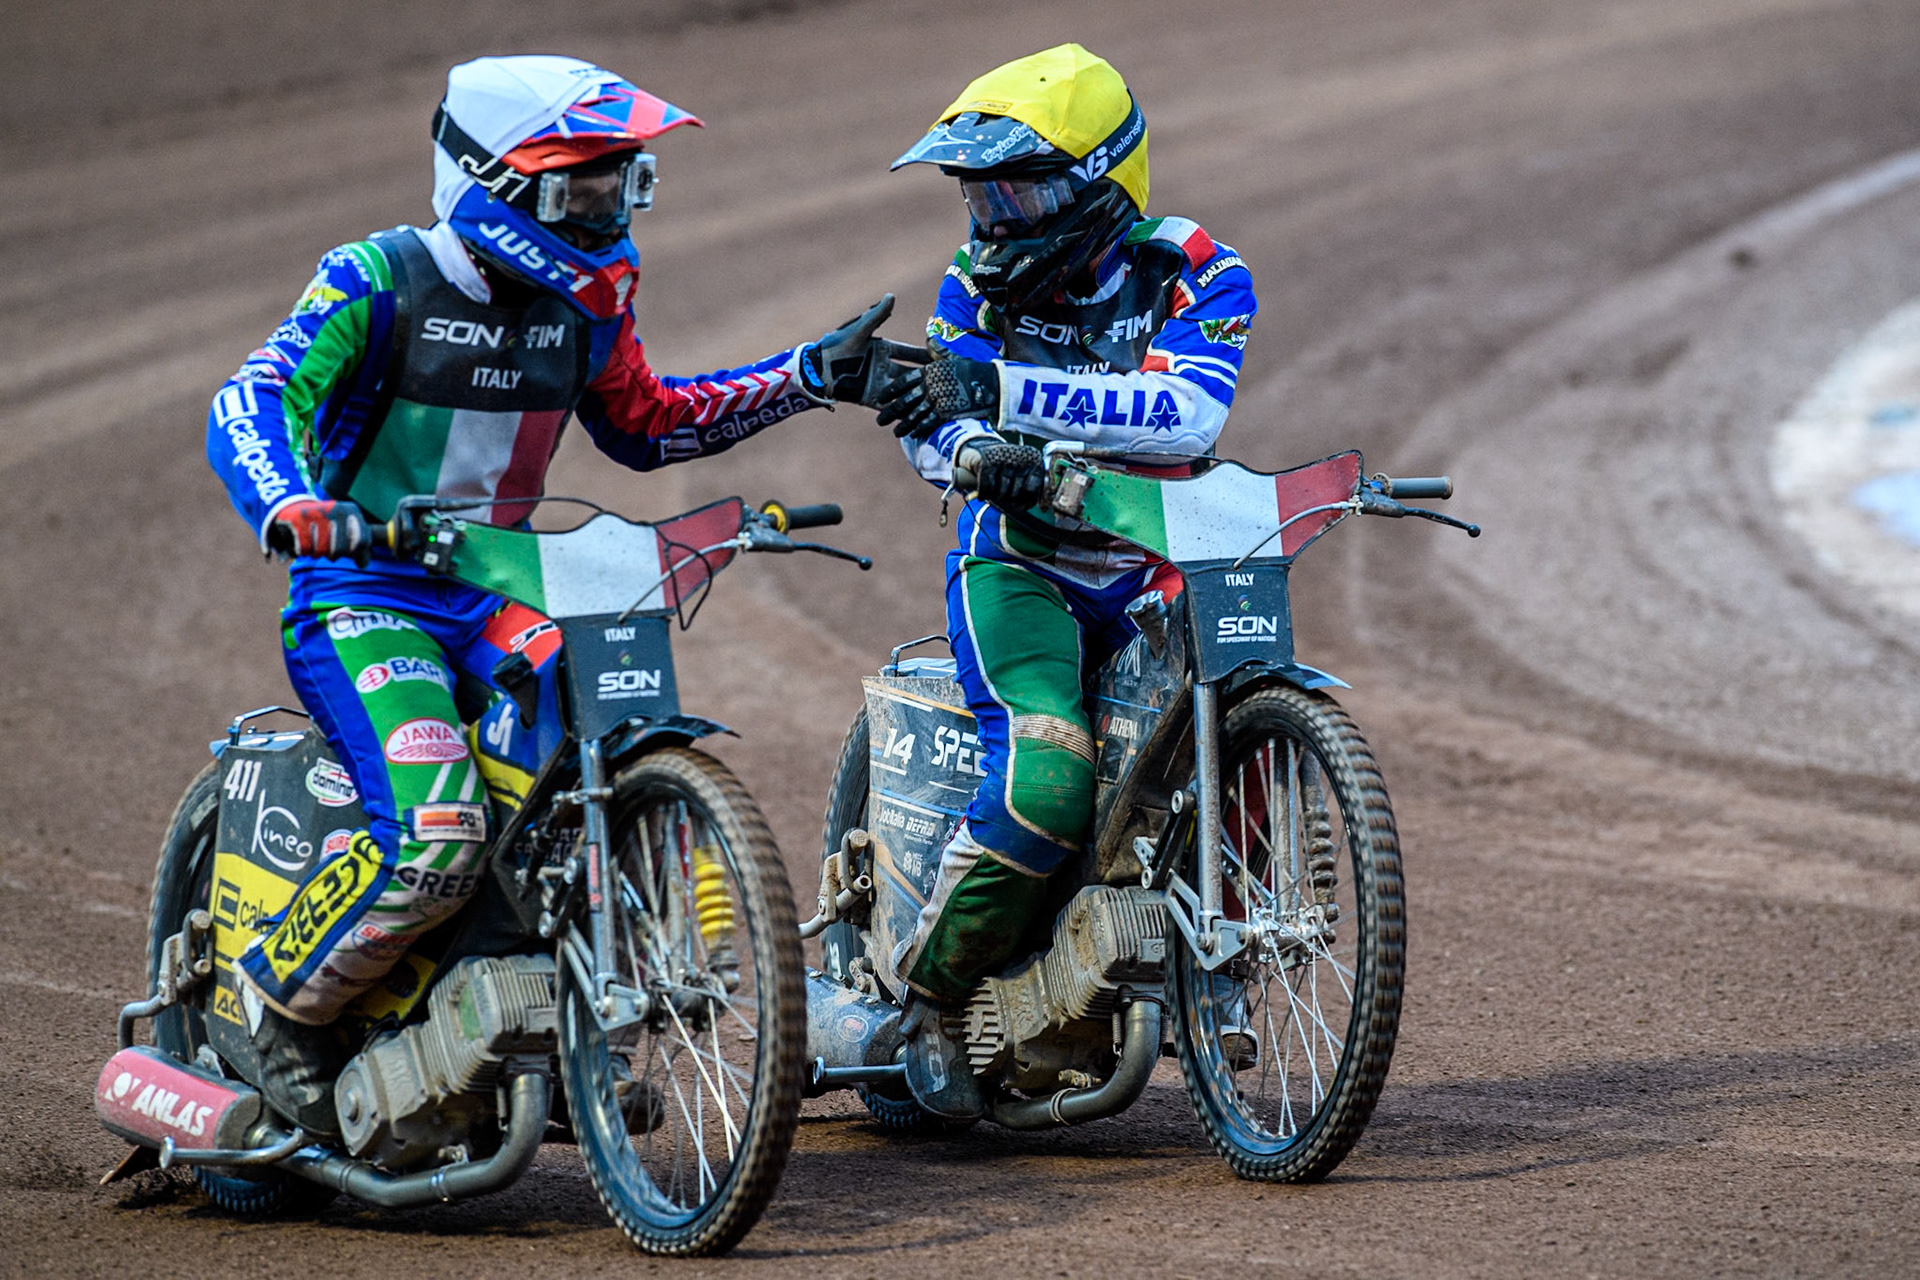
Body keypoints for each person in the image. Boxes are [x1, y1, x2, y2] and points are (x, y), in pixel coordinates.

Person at [207, 54, 889, 1135]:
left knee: (590, 767)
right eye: (581, 187)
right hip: (366, 590)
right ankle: (275, 1011)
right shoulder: (376, 279)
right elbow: (256, 394)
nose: (606, 209)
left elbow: (648, 423)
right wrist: (292, 501)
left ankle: (564, 1016)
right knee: (436, 830)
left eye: (620, 185)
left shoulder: (592, 303)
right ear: (494, 182)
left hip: (502, 595)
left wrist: (806, 377)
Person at [874, 44, 1258, 1118]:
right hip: (1022, 569)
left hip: (1156, 572)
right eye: (979, 190)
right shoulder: (968, 283)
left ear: (1103, 182)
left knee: (1240, 720)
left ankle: (1205, 957)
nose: (994, 215)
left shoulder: (1198, 270)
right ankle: (933, 1002)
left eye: (1022, 186)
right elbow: (931, 418)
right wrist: (959, 446)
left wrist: (1003, 390)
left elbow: (1189, 414)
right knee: (1048, 780)